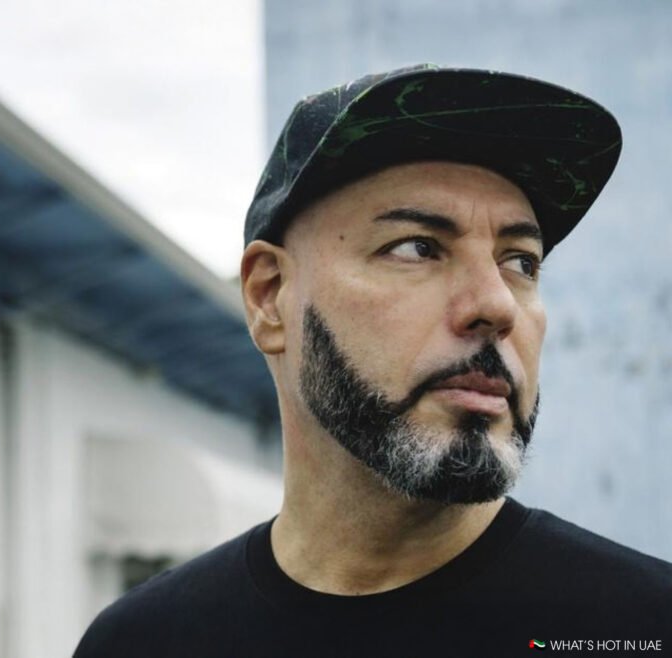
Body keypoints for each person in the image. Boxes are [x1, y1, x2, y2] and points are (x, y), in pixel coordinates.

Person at [74, 65, 672, 657]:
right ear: (269, 297)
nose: (495, 304)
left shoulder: (643, 627)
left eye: (521, 262)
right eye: (417, 247)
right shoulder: (141, 643)